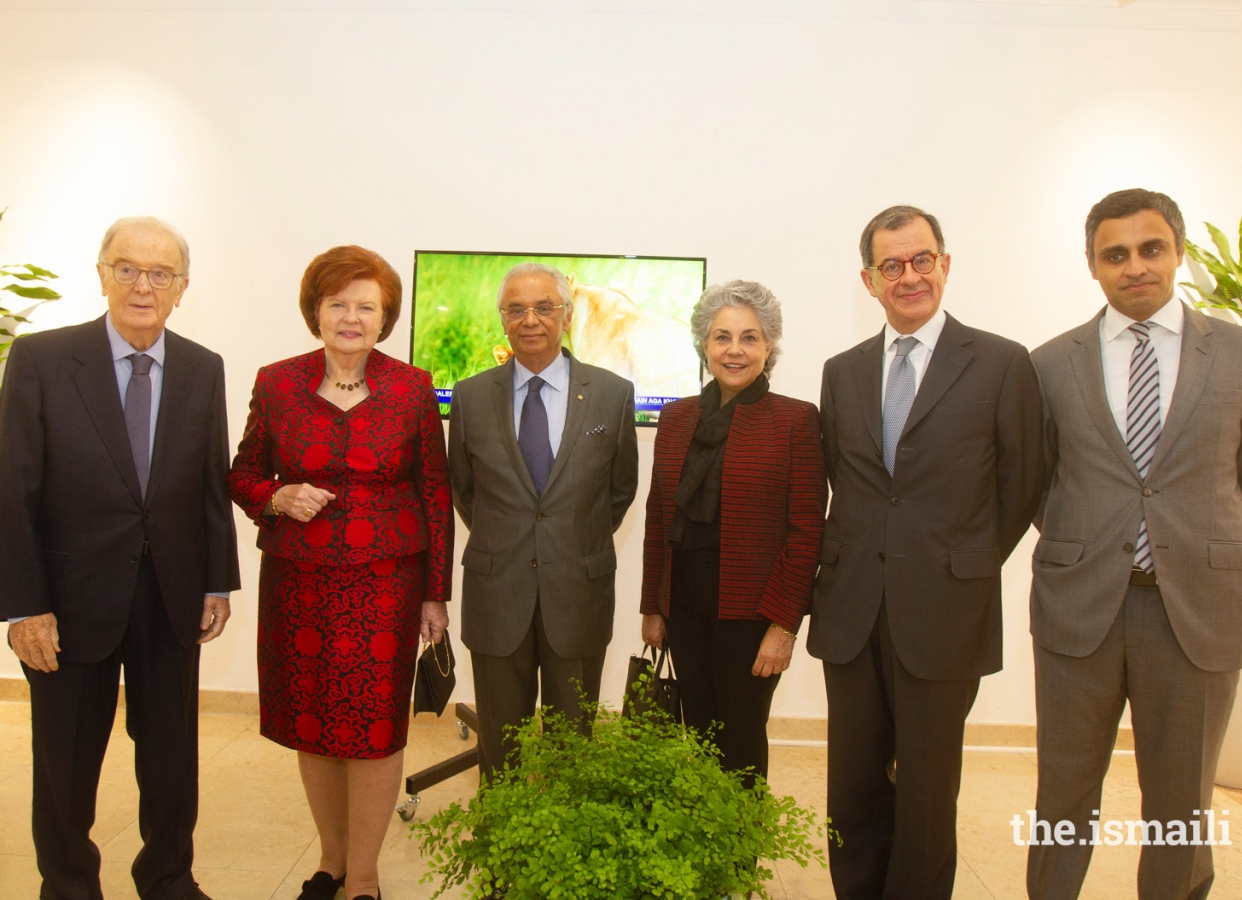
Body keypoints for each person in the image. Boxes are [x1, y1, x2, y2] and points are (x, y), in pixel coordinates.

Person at [1026, 189, 1242, 900]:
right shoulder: (1051, 364)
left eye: (1150, 248)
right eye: (1115, 255)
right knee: (1062, 800)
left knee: (1182, 807)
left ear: (1178, 252)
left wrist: (1187, 541)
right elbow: (1040, 484)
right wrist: (1094, 541)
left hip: (1196, 609)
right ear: (1093, 267)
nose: (1134, 267)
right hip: (1082, 610)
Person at [808, 205, 1045, 899]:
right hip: (852, 610)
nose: (908, 276)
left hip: (946, 610)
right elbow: (844, 486)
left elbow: (1022, 484)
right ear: (868, 279)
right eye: (892, 265)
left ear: (945, 264)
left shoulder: (1002, 363)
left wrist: (957, 561)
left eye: (921, 260)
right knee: (850, 785)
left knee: (927, 787)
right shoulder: (841, 371)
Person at [0, 217, 240, 900]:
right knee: (65, 761)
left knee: (171, 757)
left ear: (182, 288)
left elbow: (207, 481)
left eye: (160, 273)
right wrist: (23, 604)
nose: (143, 285)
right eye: (128, 268)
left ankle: (167, 877)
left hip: (170, 594)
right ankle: (69, 884)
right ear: (101, 274)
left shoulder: (202, 366)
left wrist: (216, 583)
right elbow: (12, 487)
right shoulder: (43, 359)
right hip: (68, 600)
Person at [227, 245, 453, 900]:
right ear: (315, 311)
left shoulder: (412, 387)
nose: (350, 318)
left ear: (384, 318)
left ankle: (363, 877)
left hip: (386, 584)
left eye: (366, 306)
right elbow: (242, 472)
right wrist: (275, 496)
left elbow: (434, 493)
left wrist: (435, 592)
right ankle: (329, 863)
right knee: (313, 722)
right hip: (299, 582)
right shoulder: (276, 382)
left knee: (375, 728)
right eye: (338, 304)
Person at [448, 261, 639, 778]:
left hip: (578, 591)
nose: (530, 319)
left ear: (568, 315)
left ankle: (567, 853)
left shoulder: (612, 394)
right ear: (502, 319)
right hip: (497, 595)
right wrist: (512, 535)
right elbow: (465, 491)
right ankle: (500, 851)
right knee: (500, 747)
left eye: (543, 307)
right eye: (516, 309)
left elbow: (620, 491)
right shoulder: (469, 397)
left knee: (571, 748)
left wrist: (570, 538)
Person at [638, 280, 826, 784]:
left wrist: (784, 626)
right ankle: (700, 856)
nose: (734, 350)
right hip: (685, 607)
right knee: (696, 735)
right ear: (704, 344)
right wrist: (653, 607)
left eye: (750, 337)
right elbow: (659, 517)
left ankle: (738, 861)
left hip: (753, 616)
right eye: (722, 337)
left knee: (740, 740)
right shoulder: (677, 417)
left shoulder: (796, 421)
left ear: (769, 347)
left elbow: (807, 533)